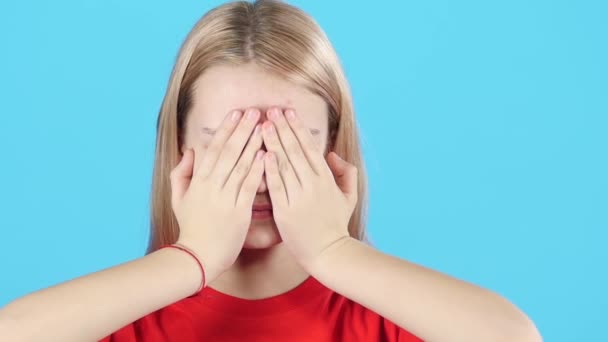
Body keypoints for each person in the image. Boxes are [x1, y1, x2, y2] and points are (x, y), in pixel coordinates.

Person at [0, 0, 543, 341]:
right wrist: (191, 258)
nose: (259, 172)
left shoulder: (392, 321)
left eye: (289, 142)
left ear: (335, 149)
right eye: (228, 143)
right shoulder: (121, 322)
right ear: (178, 150)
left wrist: (333, 251)